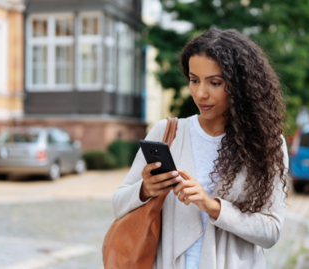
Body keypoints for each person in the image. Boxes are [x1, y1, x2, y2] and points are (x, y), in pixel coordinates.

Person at [112, 28, 288, 269]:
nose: (200, 93)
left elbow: (271, 232)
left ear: (241, 85)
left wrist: (212, 206)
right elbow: (118, 204)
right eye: (194, 80)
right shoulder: (167, 133)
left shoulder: (267, 144)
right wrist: (145, 190)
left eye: (215, 82)